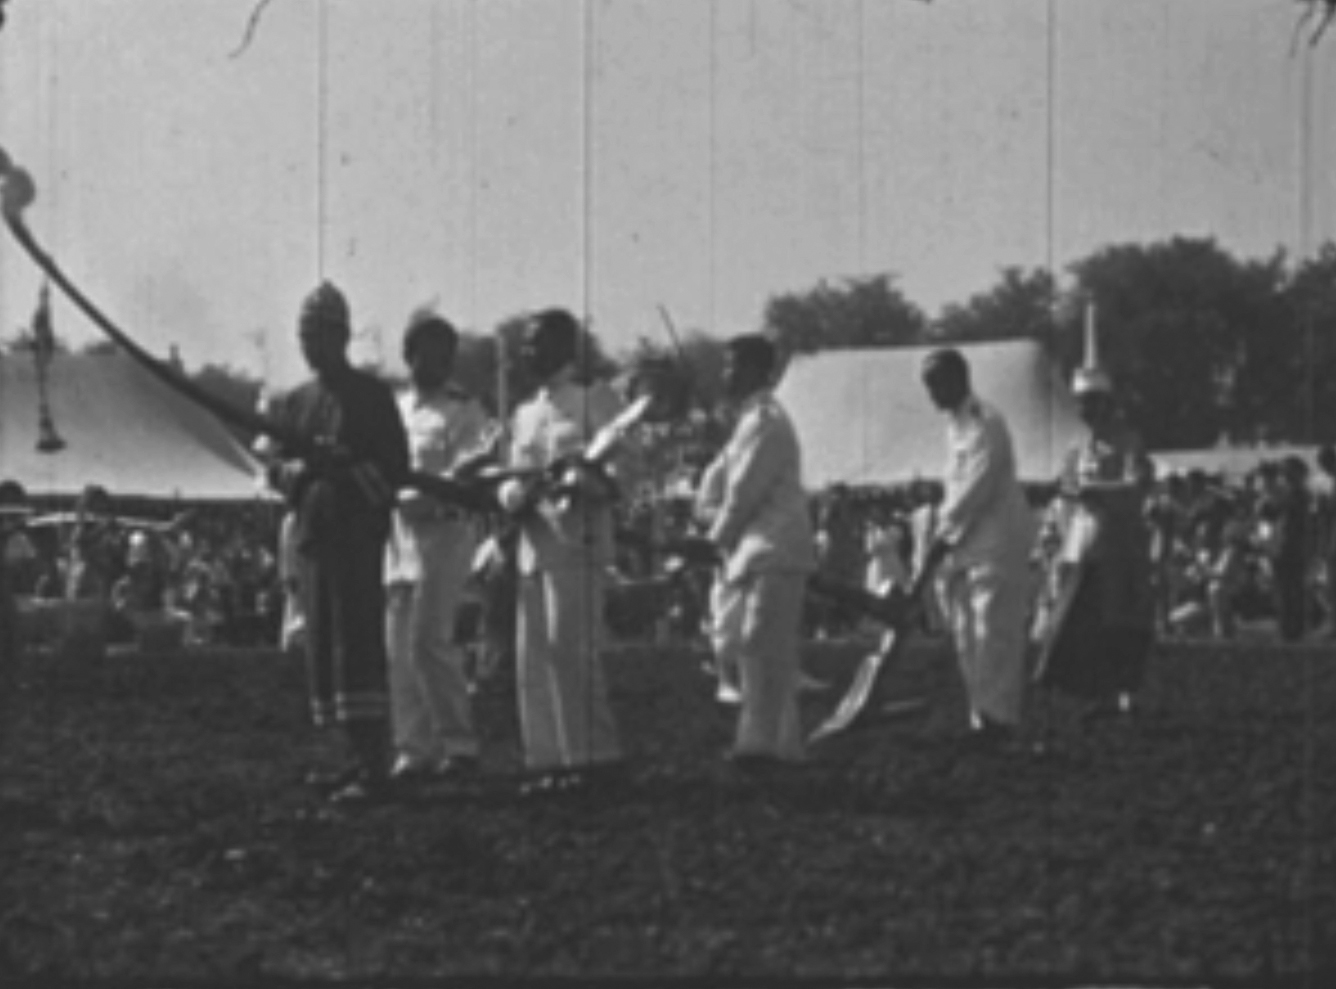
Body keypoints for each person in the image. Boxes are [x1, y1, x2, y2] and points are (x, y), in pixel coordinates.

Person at [266, 281, 411, 804]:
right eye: (305, 336)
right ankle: (344, 758)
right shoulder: (295, 402)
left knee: (358, 648)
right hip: (314, 535)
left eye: (321, 335)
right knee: (322, 649)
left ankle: (374, 764)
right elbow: (275, 468)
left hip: (356, 537)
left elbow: (395, 469)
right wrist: (300, 470)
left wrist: (348, 466)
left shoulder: (371, 397)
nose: (312, 346)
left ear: (343, 337)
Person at [496, 308, 628, 797]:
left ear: (565, 347)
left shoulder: (595, 401)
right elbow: (509, 476)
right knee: (533, 660)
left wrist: (583, 481)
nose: (528, 352)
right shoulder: (525, 413)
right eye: (526, 344)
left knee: (571, 652)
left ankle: (591, 756)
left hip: (577, 542)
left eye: (538, 342)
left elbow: (621, 472)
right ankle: (546, 759)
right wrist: (515, 496)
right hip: (534, 546)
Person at [695, 334, 816, 770]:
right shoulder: (745, 423)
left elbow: (743, 494)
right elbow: (714, 489)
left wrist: (712, 540)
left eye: (732, 366)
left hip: (774, 548)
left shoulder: (765, 421)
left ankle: (757, 748)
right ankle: (783, 746)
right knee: (757, 650)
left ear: (755, 370)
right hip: (753, 552)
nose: (725, 374)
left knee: (760, 647)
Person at [384, 311, 494, 784]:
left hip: (443, 531)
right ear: (409, 356)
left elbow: (472, 466)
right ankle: (413, 748)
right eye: (428, 354)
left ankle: (458, 743)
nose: (438, 364)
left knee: (431, 641)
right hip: (399, 534)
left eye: (445, 355)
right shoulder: (394, 409)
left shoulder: (464, 410)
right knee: (398, 647)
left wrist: (427, 491)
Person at [920, 348, 1035, 745]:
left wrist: (940, 536)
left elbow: (975, 490)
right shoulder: (953, 427)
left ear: (959, 379)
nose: (931, 394)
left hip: (996, 545)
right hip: (965, 548)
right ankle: (981, 717)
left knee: (993, 634)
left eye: (936, 384)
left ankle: (999, 719)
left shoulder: (986, 422)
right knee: (966, 636)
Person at [1033, 358, 1155, 720]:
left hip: (1120, 547)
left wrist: (1095, 490)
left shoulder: (1129, 441)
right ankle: (1093, 693)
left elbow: (1136, 488)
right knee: (1083, 625)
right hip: (1082, 547)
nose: (1086, 410)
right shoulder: (1077, 448)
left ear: (1107, 403)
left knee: (1123, 622)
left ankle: (1125, 692)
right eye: (1081, 403)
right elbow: (1066, 495)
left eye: (1092, 402)